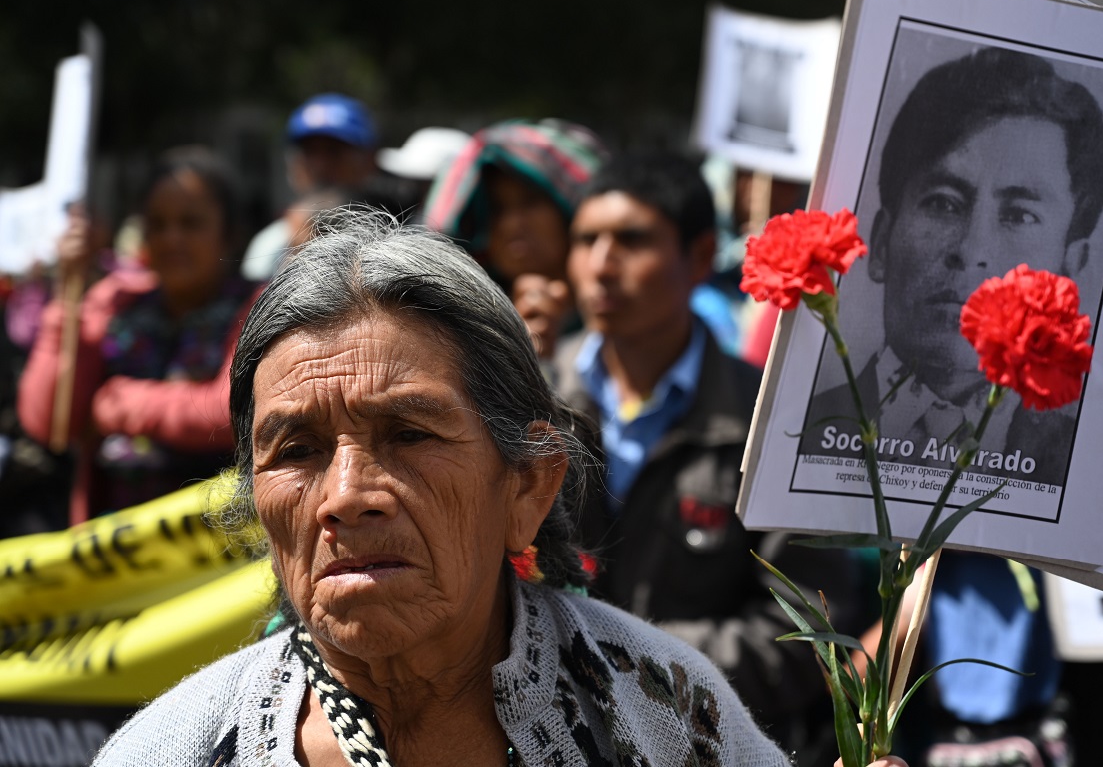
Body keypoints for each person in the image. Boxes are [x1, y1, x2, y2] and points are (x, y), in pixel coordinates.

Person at [91, 215, 790, 767]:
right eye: (296, 452)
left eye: (410, 435)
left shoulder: (670, 716)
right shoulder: (177, 750)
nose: (346, 496)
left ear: (527, 486)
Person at [549, 153, 862, 762]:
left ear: (698, 258)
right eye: (586, 240)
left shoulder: (771, 420)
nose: (601, 264)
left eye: (632, 240)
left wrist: (629, 654)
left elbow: (808, 630)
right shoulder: (529, 399)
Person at [799, 47, 1103, 489]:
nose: (971, 249)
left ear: (1069, 269)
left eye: (1019, 215)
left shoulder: (1086, 474)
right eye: (944, 203)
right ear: (883, 242)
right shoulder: (797, 430)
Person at [18, 147, 260, 522]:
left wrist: (122, 404)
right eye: (157, 224)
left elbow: (233, 413)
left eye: (190, 223)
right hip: (120, 553)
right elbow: (50, 421)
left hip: (220, 547)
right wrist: (69, 294)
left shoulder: (258, 307)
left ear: (230, 233)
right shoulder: (115, 303)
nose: (171, 239)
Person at [423, 118, 608, 358]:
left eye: (530, 202)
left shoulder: (625, 319)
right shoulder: (461, 330)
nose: (512, 224)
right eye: (497, 209)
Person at [243, 93, 383, 282]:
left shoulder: (407, 235)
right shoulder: (270, 245)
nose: (320, 166)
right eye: (309, 152)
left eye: (334, 151)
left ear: (369, 159)